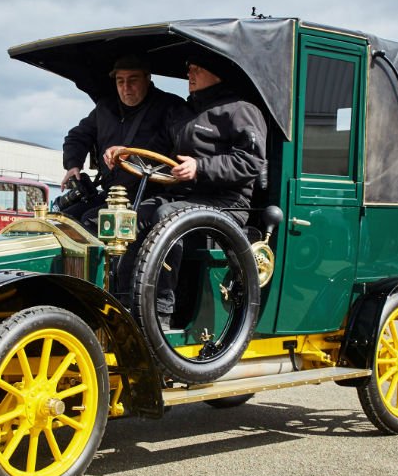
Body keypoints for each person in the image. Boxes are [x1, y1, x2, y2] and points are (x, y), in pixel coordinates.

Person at [109, 52, 268, 327]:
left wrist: (200, 167)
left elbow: (250, 161)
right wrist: (124, 153)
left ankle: (160, 312)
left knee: (167, 215)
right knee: (134, 213)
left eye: (197, 69)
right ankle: (122, 300)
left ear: (216, 73)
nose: (189, 75)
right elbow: (155, 151)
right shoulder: (183, 113)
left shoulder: (241, 110)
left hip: (227, 204)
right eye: (189, 68)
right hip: (185, 198)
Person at [59, 54, 187, 232]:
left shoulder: (171, 107)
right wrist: (73, 164)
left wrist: (130, 155)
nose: (126, 88)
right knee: (63, 220)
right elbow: (78, 135)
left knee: (92, 222)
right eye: (120, 81)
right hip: (112, 193)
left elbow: (175, 149)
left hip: (152, 195)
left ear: (148, 78)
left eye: (132, 80)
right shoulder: (105, 108)